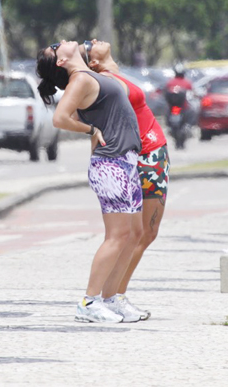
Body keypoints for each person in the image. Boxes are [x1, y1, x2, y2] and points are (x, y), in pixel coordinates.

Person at [36, 40, 144, 323]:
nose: (63, 41)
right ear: (61, 61)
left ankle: (112, 299)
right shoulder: (80, 79)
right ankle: (89, 301)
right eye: (55, 46)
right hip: (111, 163)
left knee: (134, 233)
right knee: (117, 236)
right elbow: (60, 118)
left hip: (126, 160)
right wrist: (91, 129)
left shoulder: (90, 75)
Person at [81, 39, 169, 320]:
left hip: (153, 153)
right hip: (141, 156)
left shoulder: (115, 75)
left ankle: (114, 296)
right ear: (92, 62)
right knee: (136, 234)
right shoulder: (101, 80)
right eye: (87, 45)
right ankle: (112, 296)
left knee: (145, 233)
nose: (93, 40)